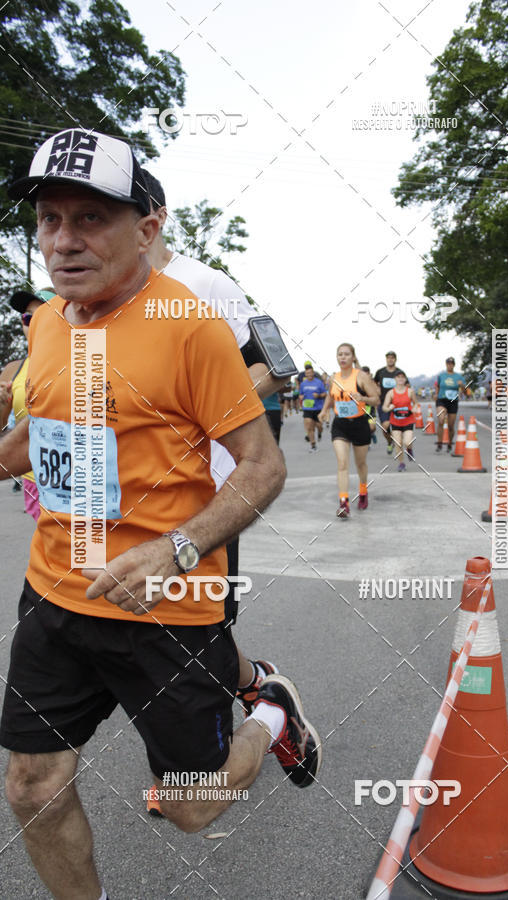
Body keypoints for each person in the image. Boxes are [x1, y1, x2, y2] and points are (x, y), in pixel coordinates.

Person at [1, 129, 321, 900]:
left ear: (146, 228)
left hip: (166, 606)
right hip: (55, 594)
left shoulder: (191, 325)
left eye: (89, 219)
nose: (63, 241)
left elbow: (262, 464)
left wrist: (177, 550)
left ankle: (270, 708)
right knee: (30, 783)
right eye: (48, 219)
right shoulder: (47, 322)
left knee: (188, 805)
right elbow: (34, 439)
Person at [141, 169, 297, 814]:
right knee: (140, 636)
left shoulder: (205, 285)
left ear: (151, 218)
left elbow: (274, 371)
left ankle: (257, 712)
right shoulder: (102, 296)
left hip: (202, 498)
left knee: (194, 637)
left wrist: (198, 411)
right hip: (122, 504)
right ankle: (253, 691)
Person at [0, 289, 55, 518]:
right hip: (32, 478)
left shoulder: (85, 359)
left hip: (79, 480)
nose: (32, 323)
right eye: (27, 318)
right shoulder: (13, 370)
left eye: (42, 315)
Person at [318, 343, 380, 517]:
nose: (343, 357)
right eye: (340, 354)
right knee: (342, 463)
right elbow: (331, 396)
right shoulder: (334, 378)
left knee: (360, 464)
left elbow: (376, 400)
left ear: (353, 357)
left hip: (360, 424)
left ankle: (363, 490)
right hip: (341, 426)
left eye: (346, 354)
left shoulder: (361, 377)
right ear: (336, 357)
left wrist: (363, 398)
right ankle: (344, 503)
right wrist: (324, 411)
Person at [382, 371, 417, 471]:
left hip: (408, 421)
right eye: (398, 377)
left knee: (407, 442)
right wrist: (389, 408)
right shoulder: (391, 393)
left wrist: (414, 408)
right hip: (395, 422)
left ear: (405, 379)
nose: (400, 379)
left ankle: (409, 449)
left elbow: (415, 403)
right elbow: (384, 407)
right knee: (398, 443)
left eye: (402, 377)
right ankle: (401, 463)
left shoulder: (410, 391)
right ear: (395, 379)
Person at [433, 356, 465, 452]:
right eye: (448, 363)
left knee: (451, 425)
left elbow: (464, 390)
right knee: (441, 420)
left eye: (451, 363)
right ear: (446, 364)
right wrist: (436, 394)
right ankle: (439, 443)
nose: (450, 365)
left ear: (454, 365)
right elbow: (437, 386)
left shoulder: (459, 377)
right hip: (442, 400)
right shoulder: (441, 375)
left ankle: (450, 443)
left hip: (453, 401)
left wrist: (461, 385)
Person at [374, 351, 403, 455]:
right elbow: (374, 383)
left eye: (392, 358)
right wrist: (377, 390)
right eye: (388, 358)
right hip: (383, 403)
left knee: (397, 428)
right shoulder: (380, 372)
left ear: (395, 359)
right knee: (385, 426)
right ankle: (390, 442)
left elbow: (406, 385)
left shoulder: (399, 372)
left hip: (397, 404)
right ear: (386, 359)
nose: (390, 360)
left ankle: (398, 445)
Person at [299, 365, 326, 451]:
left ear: (313, 373)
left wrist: (318, 395)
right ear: (305, 374)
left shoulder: (319, 382)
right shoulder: (303, 384)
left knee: (319, 426)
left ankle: (320, 432)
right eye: (307, 373)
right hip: (307, 408)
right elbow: (300, 394)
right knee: (309, 426)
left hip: (318, 408)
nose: (309, 374)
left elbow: (325, 394)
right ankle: (313, 445)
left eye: (310, 372)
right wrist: (301, 397)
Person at [361, 365, 377, 444]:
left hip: (371, 409)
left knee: (372, 427)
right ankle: (367, 442)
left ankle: (372, 433)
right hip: (361, 408)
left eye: (366, 374)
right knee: (363, 428)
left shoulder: (372, 382)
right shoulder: (358, 382)